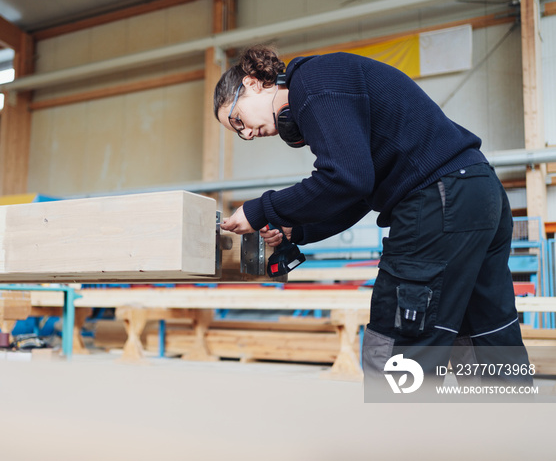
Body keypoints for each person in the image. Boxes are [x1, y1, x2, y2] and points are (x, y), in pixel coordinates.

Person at [214, 45, 532, 393]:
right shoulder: (326, 85)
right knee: (487, 336)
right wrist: (298, 229)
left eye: (238, 120)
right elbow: (359, 192)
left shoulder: (311, 84)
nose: (246, 134)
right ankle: (510, 439)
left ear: (254, 83)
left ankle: (393, 445)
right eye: (238, 133)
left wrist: (258, 209)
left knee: (397, 347)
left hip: (439, 201)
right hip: (478, 192)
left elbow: (346, 178)